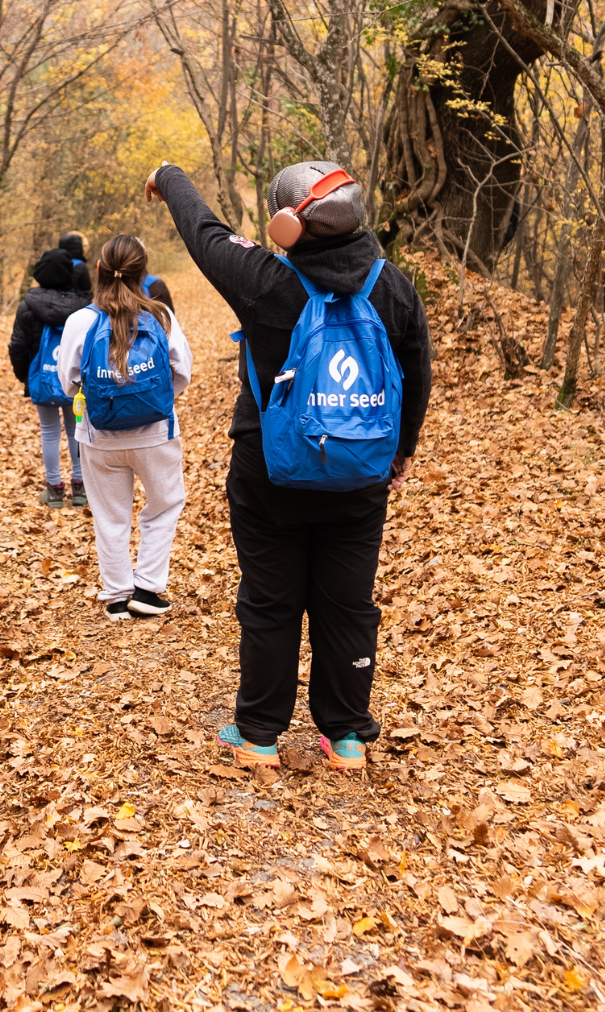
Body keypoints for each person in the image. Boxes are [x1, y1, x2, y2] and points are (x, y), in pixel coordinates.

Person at [145, 159, 431, 773]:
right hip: (361, 475)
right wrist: (399, 454)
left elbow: (204, 231)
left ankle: (259, 735)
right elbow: (416, 374)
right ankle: (347, 737)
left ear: (285, 226)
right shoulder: (393, 285)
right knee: (347, 604)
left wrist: (169, 175)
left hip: (268, 471)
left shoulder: (264, 282)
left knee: (271, 600)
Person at [54, 234, 192, 620]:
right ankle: (147, 589)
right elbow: (182, 372)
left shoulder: (80, 321)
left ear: (98, 270)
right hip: (156, 434)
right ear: (143, 273)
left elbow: (67, 382)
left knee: (110, 514)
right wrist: (155, 401)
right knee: (165, 505)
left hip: (99, 436)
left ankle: (117, 595)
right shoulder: (160, 316)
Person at [9, 248, 91, 508]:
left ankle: (54, 489)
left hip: (43, 381)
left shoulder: (28, 305)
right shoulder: (84, 306)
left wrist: (26, 378)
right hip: (75, 381)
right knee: (75, 429)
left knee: (49, 432)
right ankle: (80, 487)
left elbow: (18, 346)